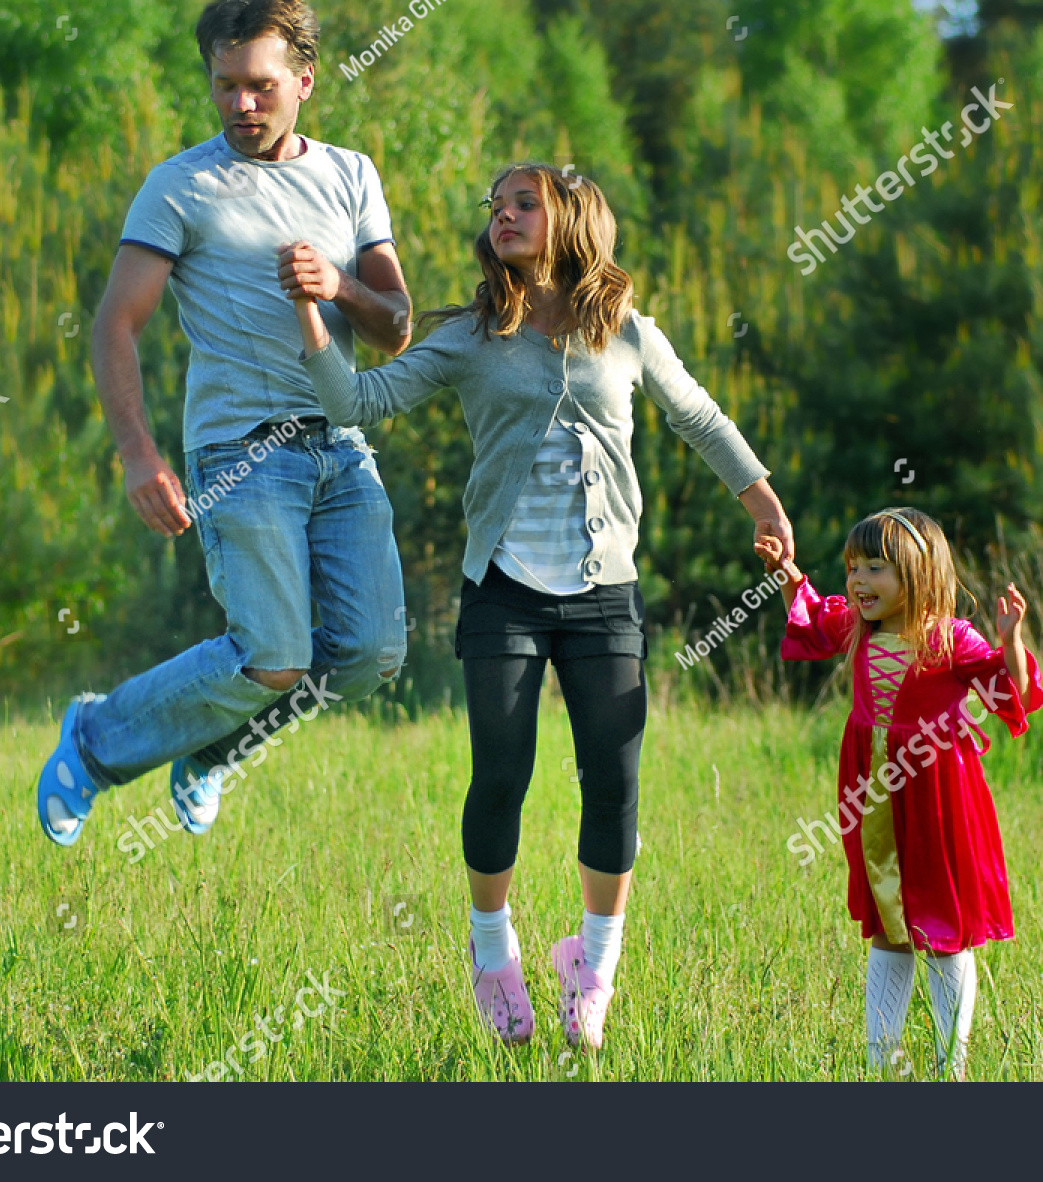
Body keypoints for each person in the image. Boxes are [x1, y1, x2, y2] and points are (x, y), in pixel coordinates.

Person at [292, 162, 795, 1048]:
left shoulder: (630, 334)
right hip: (506, 591)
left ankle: (593, 967)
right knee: (502, 778)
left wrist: (761, 500)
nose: (503, 218)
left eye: (524, 204)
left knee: (615, 781)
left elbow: (701, 419)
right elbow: (358, 401)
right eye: (496, 208)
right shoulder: (474, 337)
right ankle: (494, 955)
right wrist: (310, 311)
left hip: (604, 590)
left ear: (572, 220)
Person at [36, 0, 411, 848]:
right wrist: (138, 454)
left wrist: (341, 285)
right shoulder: (182, 186)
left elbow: (394, 328)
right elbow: (115, 324)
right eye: (225, 84)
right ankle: (93, 744)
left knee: (368, 656)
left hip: (342, 448)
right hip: (240, 454)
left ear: (305, 80)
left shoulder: (352, 175)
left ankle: (214, 751)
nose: (242, 103)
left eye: (260, 85)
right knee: (273, 657)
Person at [758, 507, 1043, 1079]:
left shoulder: (950, 638)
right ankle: (882, 1062)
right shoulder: (859, 628)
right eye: (853, 567)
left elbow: (1008, 686)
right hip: (873, 793)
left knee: (940, 927)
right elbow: (814, 621)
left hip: (939, 795)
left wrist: (1011, 642)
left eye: (876, 568)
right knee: (889, 925)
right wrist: (791, 575)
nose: (859, 580)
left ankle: (951, 1065)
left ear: (918, 573)